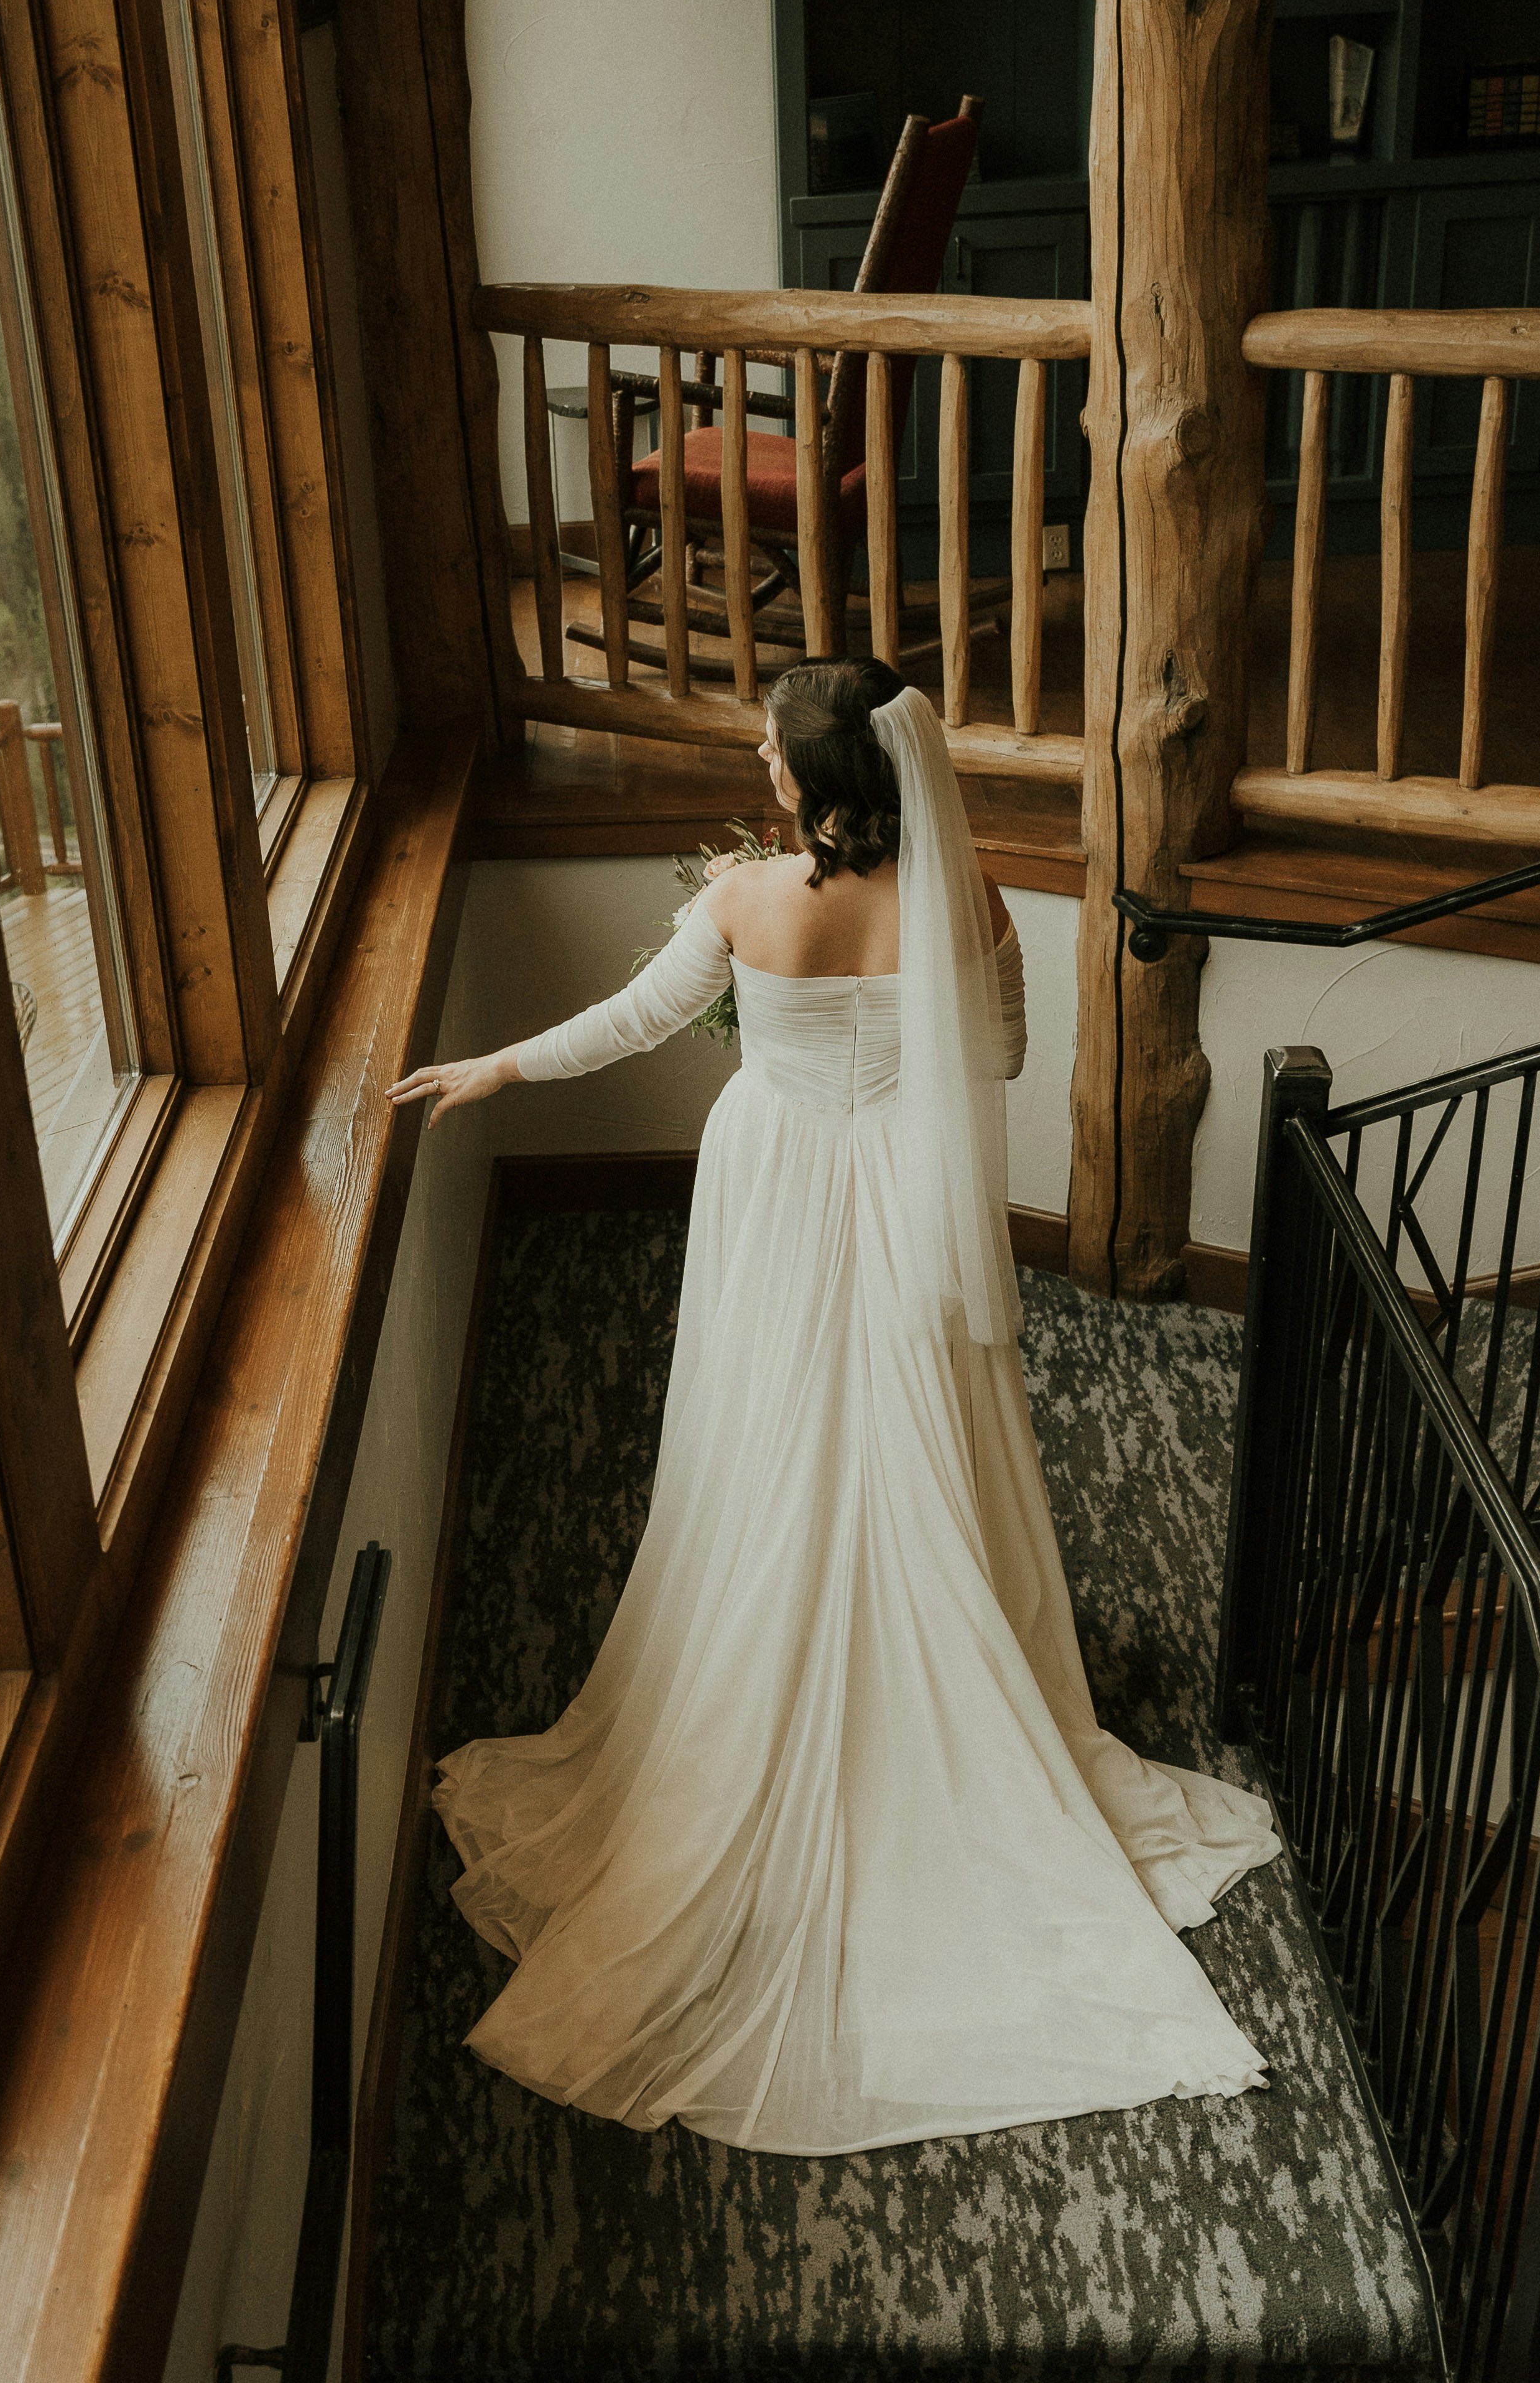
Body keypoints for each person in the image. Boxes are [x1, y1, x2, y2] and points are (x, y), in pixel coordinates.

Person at [387, 661, 1277, 2155]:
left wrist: (496, 1067)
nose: (754, 750)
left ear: (812, 783)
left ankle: (768, 1644)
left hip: (779, 1182)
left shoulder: (742, 900)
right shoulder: (969, 901)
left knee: (767, 1427)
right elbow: (989, 1059)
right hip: (902, 1196)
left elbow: (628, 1022)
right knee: (916, 1434)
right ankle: (951, 1686)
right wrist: (886, 1059)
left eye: (769, 742)